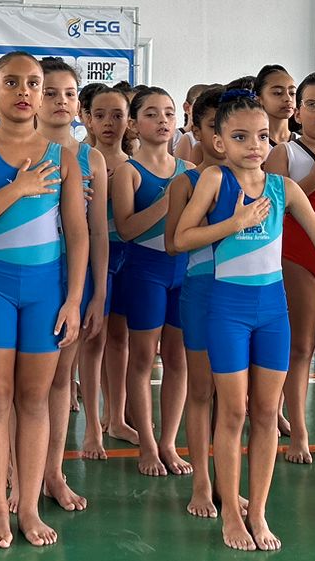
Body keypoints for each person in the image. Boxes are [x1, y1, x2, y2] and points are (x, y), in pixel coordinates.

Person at [174, 90, 315, 553]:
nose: (254, 145)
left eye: (262, 136)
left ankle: (259, 511)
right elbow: (183, 237)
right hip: (226, 308)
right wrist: (233, 221)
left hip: (272, 311)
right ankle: (230, 510)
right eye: (241, 136)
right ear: (221, 142)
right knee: (233, 411)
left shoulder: (282, 188)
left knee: (266, 414)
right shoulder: (213, 178)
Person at [0, 51, 87, 548]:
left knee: (34, 400)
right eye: (13, 82)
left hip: (45, 290)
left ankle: (28, 508)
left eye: (35, 83)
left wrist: (73, 300)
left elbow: (78, 232)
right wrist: (19, 187)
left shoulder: (64, 158)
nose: (26, 91)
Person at [264, 72, 315, 463]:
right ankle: (298, 431)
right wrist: (314, 178)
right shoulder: (285, 154)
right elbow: (269, 215)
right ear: (297, 113)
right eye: (312, 104)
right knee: (300, 347)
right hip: (297, 258)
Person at [111, 85, 190, 476]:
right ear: (134, 125)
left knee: (178, 359)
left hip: (184, 271)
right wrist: (168, 201)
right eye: (152, 114)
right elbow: (126, 229)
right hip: (145, 270)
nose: (162, 121)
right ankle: (146, 442)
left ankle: (169, 442)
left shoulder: (191, 171)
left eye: (169, 114)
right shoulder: (128, 172)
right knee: (143, 359)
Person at [38, 57, 107, 512]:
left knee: (61, 378)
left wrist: (96, 294)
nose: (60, 102)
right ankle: (14, 471)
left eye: (68, 94)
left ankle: (52, 474)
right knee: (20, 386)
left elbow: (98, 230)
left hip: (71, 277)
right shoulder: (10, 151)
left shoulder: (91, 158)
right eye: (50, 93)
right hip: (26, 273)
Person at [166, 87, 226, 517]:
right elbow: (173, 243)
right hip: (203, 293)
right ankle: (202, 484)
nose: (226, 140)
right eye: (215, 129)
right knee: (202, 393)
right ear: (201, 132)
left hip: (246, 298)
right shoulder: (186, 182)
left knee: (234, 401)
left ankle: (227, 480)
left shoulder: (262, 184)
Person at [84, 81, 133, 453]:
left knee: (120, 339)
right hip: (91, 257)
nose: (109, 123)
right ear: (86, 118)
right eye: (100, 115)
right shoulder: (79, 160)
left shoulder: (135, 167)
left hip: (128, 255)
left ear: (129, 120)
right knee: (93, 339)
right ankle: (91, 427)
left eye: (117, 115)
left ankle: (116, 417)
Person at [254, 64, 297, 146]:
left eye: (292, 93)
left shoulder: (306, 143)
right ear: (259, 100)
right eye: (278, 93)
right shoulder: (254, 145)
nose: (288, 98)